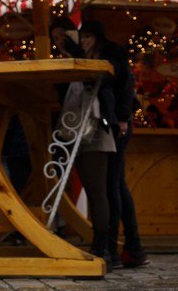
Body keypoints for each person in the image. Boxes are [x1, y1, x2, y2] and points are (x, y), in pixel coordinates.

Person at [78, 19, 148, 268]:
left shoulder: (111, 53)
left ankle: (115, 247)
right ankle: (130, 247)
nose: (84, 42)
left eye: (88, 37)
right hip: (112, 122)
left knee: (112, 184)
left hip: (116, 123)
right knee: (115, 184)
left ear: (97, 37)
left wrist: (122, 117)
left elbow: (124, 85)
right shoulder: (90, 55)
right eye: (82, 38)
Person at [60, 76, 116, 263]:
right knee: (93, 190)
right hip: (76, 131)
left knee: (97, 191)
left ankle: (102, 246)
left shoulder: (95, 77)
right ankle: (100, 244)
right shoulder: (71, 82)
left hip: (95, 131)